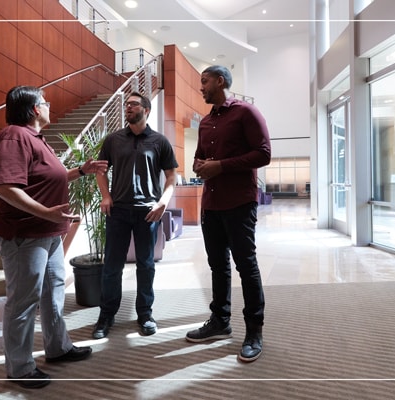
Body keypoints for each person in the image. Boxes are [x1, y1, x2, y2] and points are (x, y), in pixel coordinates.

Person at [0, 85, 108, 389]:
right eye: (46, 102)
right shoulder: (13, 136)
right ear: (34, 110)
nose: (50, 105)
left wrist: (81, 171)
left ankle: (58, 348)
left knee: (53, 290)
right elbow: (4, 187)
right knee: (23, 301)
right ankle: (19, 367)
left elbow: (47, 177)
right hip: (25, 234)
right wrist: (45, 212)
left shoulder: (34, 138)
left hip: (47, 232)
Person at [185, 66, 271, 363]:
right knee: (217, 266)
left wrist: (220, 166)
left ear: (220, 81)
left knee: (246, 266)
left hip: (239, 203)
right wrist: (199, 165)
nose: (201, 88)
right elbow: (198, 156)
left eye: (204, 82)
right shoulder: (206, 121)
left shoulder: (246, 112)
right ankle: (220, 321)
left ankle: (254, 331)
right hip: (211, 204)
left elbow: (263, 154)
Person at [92, 92, 178, 339]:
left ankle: (145, 314)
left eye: (133, 104)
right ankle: (106, 315)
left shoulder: (159, 141)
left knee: (146, 265)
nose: (128, 107)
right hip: (117, 210)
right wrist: (105, 196)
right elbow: (100, 171)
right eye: (126, 104)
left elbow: (171, 175)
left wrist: (163, 202)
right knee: (112, 266)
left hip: (148, 213)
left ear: (146, 110)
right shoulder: (113, 140)